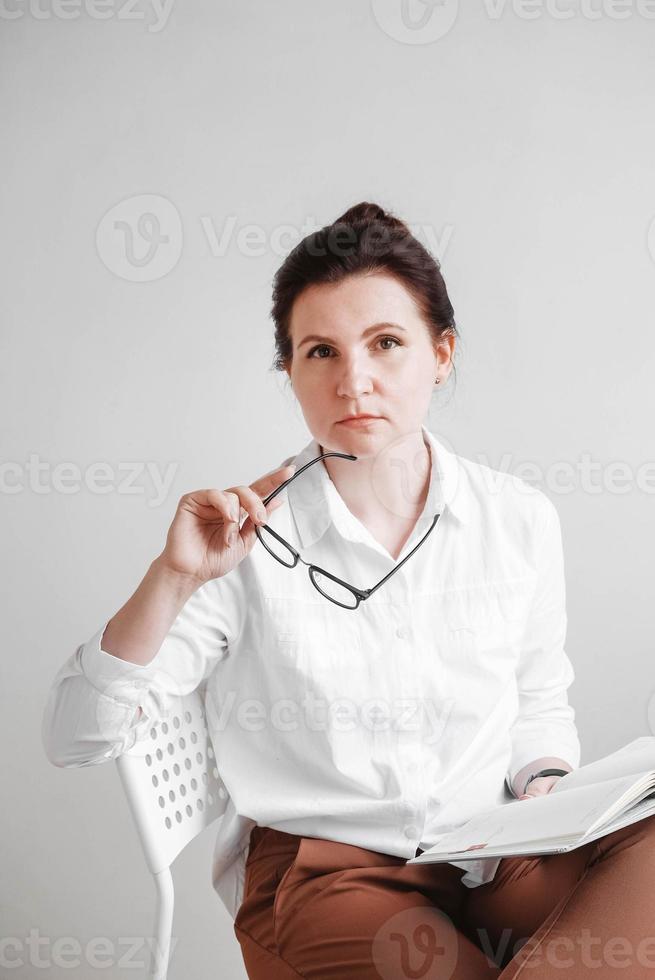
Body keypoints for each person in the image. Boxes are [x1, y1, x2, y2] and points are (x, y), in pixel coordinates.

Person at [42, 202, 655, 978]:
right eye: (320, 351)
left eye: (385, 344)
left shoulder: (518, 518)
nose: (353, 380)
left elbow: (538, 704)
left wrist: (547, 786)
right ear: (289, 371)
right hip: (331, 876)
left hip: (493, 853)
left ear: (441, 353)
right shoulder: (242, 543)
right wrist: (171, 580)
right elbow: (74, 737)